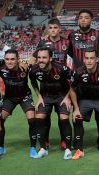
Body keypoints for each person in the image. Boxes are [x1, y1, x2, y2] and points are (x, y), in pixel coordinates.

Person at [68, 9, 99, 150]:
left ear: (91, 20)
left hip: (96, 78)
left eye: (86, 17)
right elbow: (70, 52)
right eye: (81, 17)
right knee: (77, 113)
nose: (83, 20)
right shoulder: (72, 35)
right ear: (78, 20)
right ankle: (78, 142)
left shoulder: (98, 34)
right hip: (79, 80)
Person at [70, 48, 99, 160]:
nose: (89, 61)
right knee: (76, 118)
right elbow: (72, 89)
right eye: (87, 58)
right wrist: (76, 109)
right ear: (84, 59)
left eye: (92, 58)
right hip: (85, 100)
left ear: (97, 59)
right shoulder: (78, 72)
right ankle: (79, 149)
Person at [29, 47, 73, 159]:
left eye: (44, 57)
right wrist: (39, 96)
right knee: (39, 118)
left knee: (64, 118)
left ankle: (68, 148)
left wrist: (68, 97)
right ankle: (43, 148)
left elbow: (74, 80)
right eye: (39, 57)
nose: (41, 60)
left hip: (62, 95)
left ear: (50, 58)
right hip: (46, 96)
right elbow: (33, 82)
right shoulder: (34, 70)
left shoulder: (61, 68)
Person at [37, 18, 71, 150]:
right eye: (50, 28)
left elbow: (77, 56)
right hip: (46, 84)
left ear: (59, 28)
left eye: (55, 28)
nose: (53, 30)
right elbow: (35, 58)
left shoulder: (67, 42)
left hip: (62, 85)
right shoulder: (43, 42)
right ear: (48, 29)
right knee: (45, 115)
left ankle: (64, 140)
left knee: (62, 115)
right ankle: (45, 140)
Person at [0, 49, 38, 158]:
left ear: (18, 60)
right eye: (7, 59)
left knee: (32, 120)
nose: (9, 62)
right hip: (9, 98)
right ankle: (1, 147)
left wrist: (25, 62)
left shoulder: (25, 67)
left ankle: (33, 147)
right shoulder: (0, 67)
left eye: (12, 59)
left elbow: (35, 60)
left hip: (25, 96)